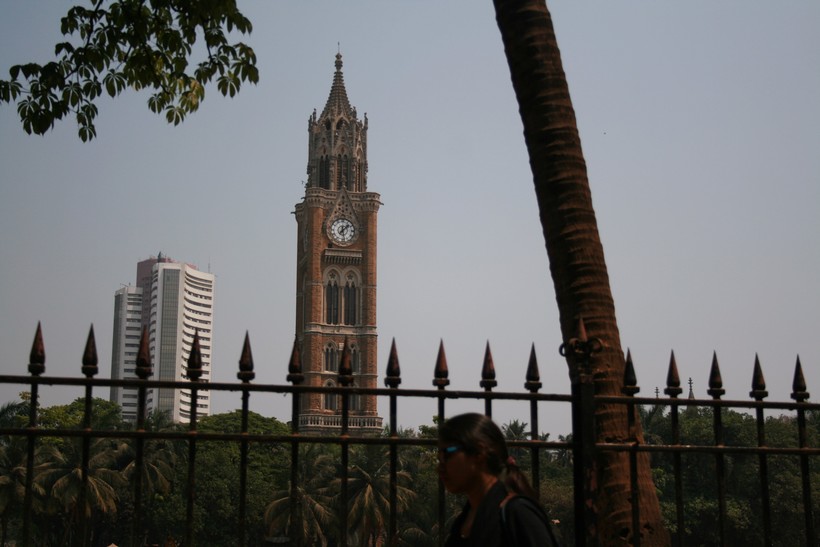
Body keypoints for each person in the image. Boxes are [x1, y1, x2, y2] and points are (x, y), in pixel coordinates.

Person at [438, 413, 558, 546]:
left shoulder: (518, 513)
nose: (440, 467)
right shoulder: (464, 520)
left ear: (479, 452)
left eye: (447, 454)